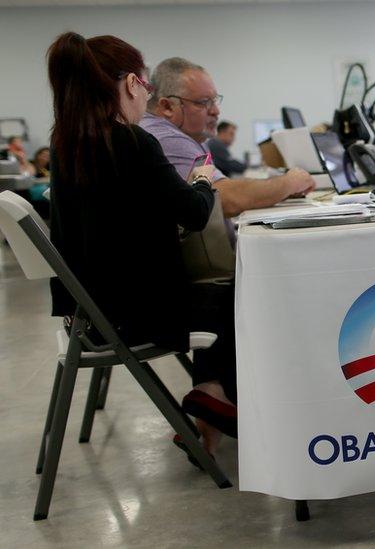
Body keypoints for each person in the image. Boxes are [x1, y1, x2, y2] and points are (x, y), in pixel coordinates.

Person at [45, 32, 235, 458]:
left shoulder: (65, 144)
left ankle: (211, 396)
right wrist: (203, 180)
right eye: (145, 88)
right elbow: (194, 212)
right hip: (139, 315)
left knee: (216, 292)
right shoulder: (132, 142)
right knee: (235, 291)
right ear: (132, 84)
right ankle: (216, 394)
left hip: (91, 315)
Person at [141, 57, 314, 220]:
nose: (216, 111)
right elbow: (225, 199)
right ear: (167, 106)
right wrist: (289, 182)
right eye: (203, 102)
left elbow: (222, 188)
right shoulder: (167, 138)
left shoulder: (190, 137)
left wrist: (276, 190)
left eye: (215, 101)